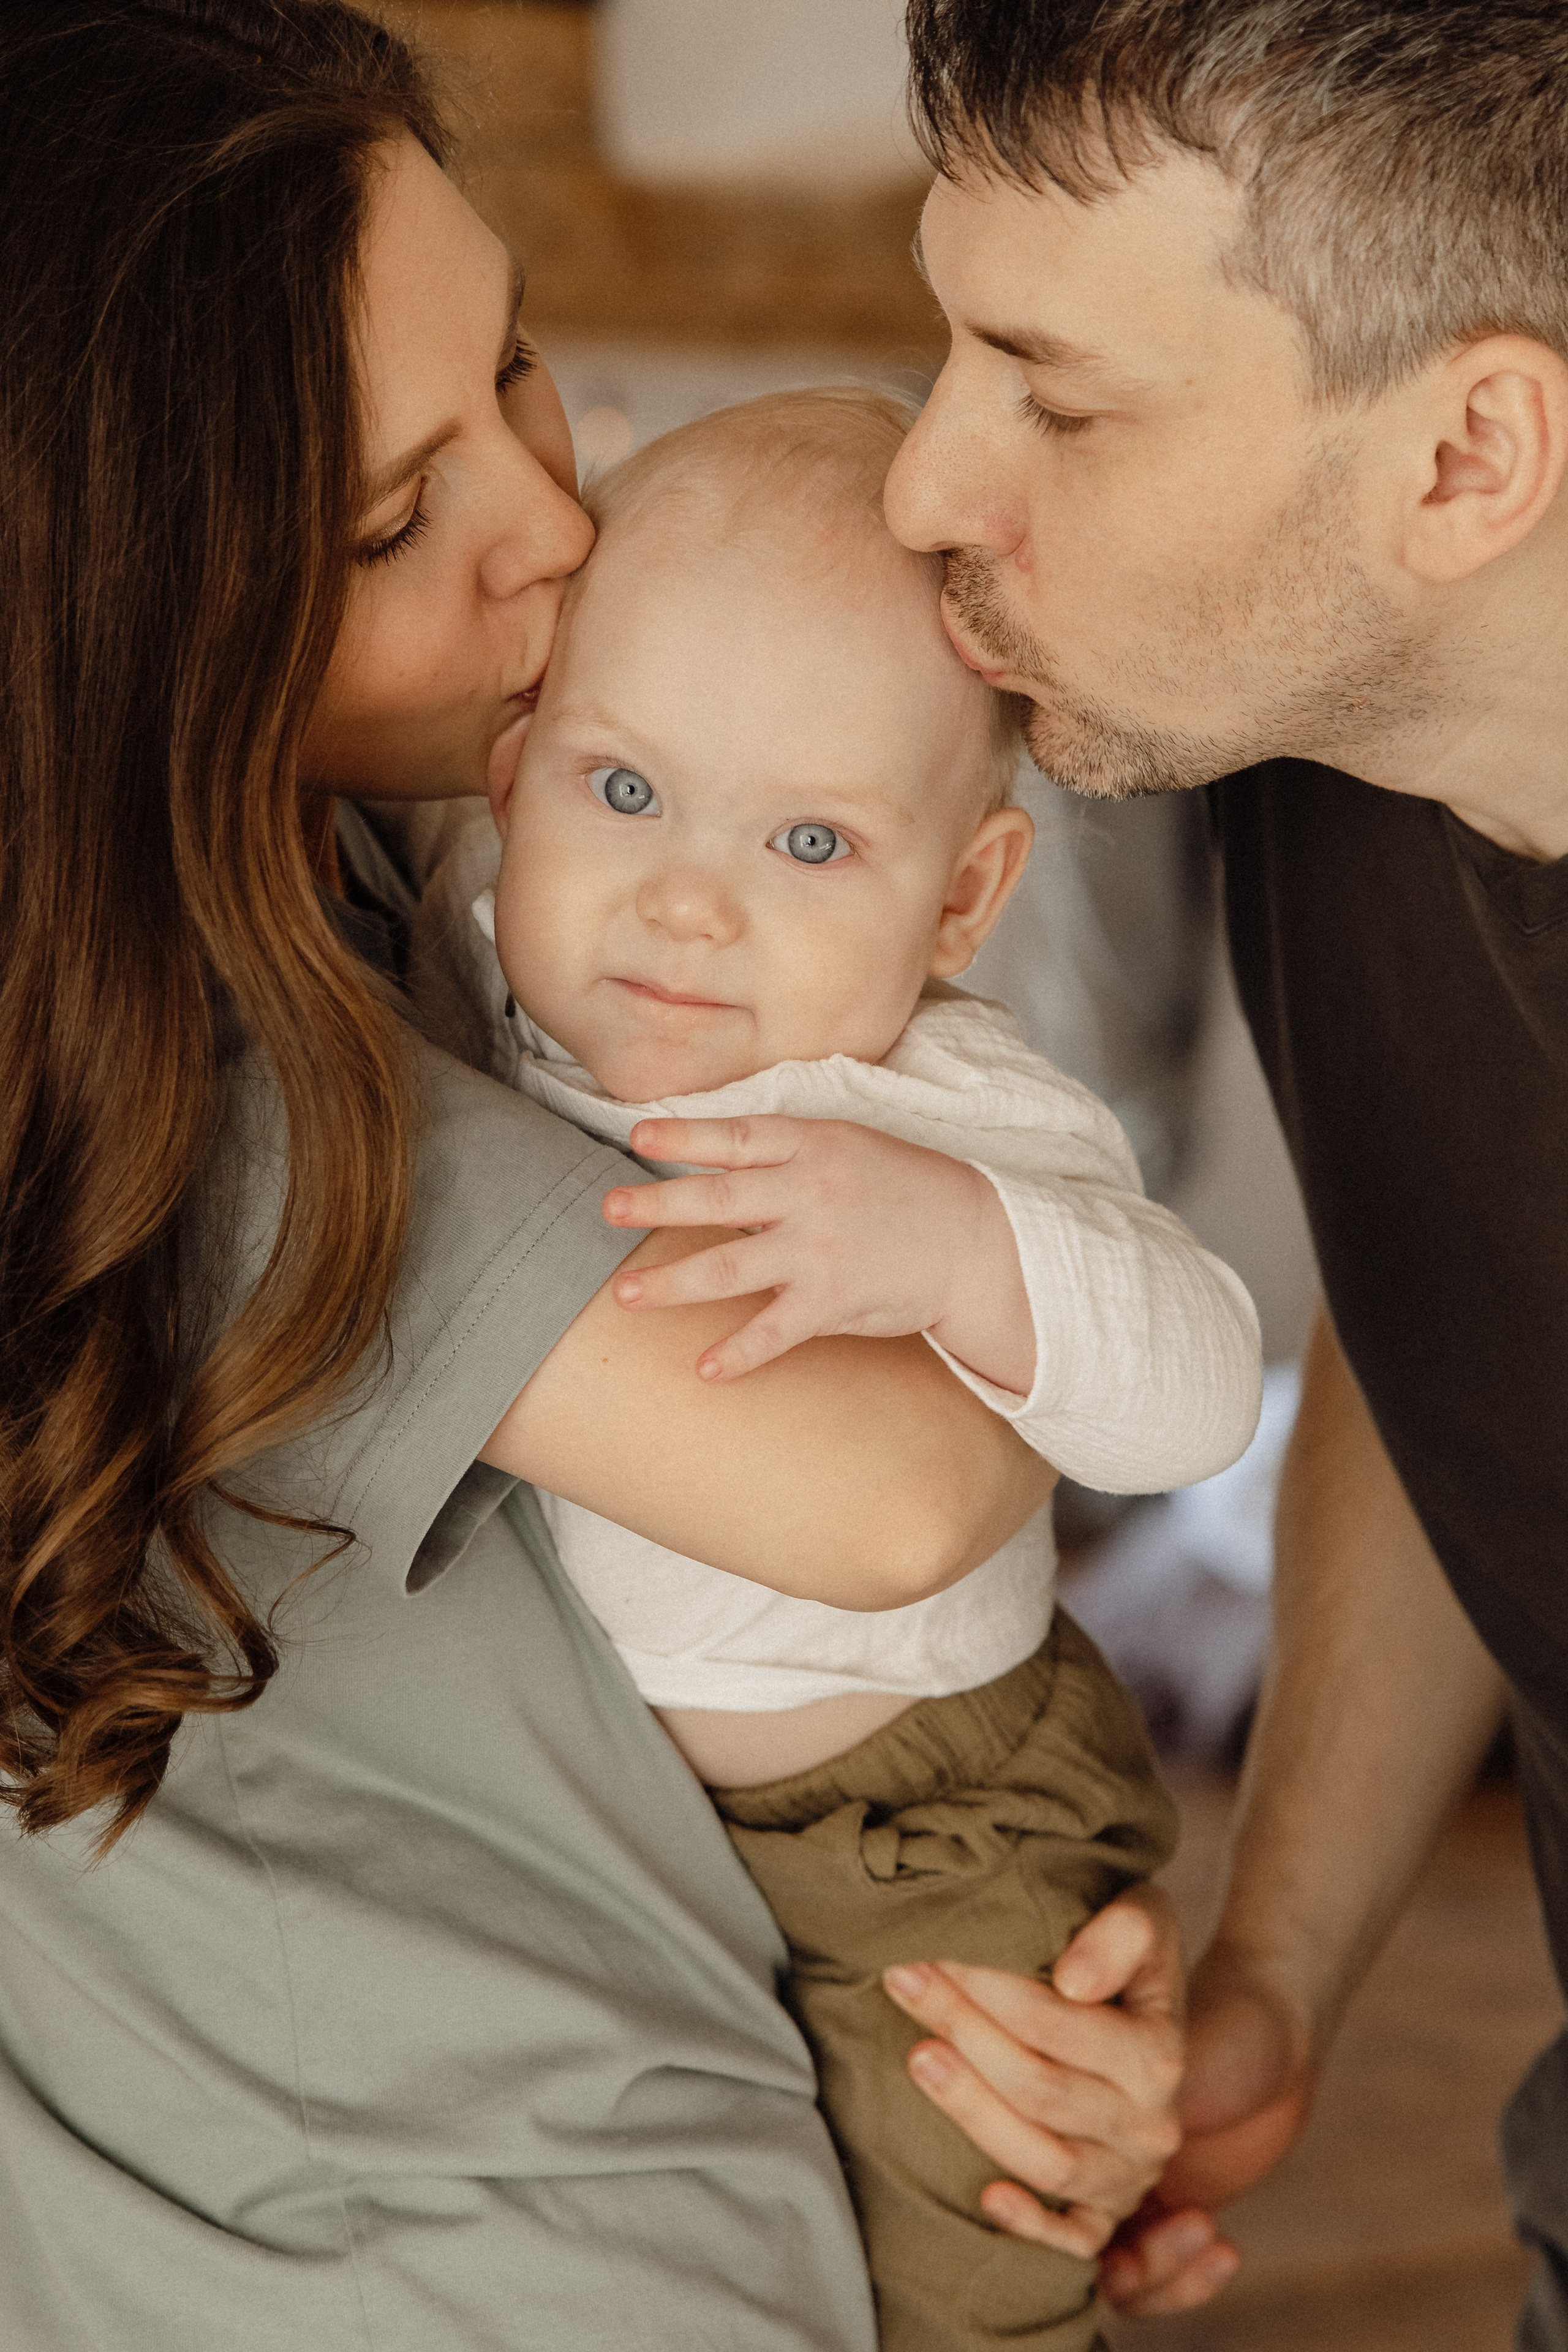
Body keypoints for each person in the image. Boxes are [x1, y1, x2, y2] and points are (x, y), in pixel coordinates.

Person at [0, 5, 1187, 2345]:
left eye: (518, 365)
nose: (556, 519)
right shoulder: (201, 1090)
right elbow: (900, 1505)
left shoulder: (353, 879)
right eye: (390, 516)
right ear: (139, 628)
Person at [415, 383, 1262, 2352]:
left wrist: (962, 1255)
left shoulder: (948, 1105)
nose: (691, 900)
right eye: (624, 791)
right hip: (597, 1826)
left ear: (960, 901)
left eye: (811, 839)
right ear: (514, 769)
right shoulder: (458, 1014)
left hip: (915, 1817)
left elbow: (1202, 1396)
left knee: (976, 2232)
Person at [885, 0, 1568, 2339]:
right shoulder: (1319, 729)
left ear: (1470, 453)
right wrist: (1272, 1971)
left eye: (1058, 397)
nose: (928, 484)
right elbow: (1476, 1312)